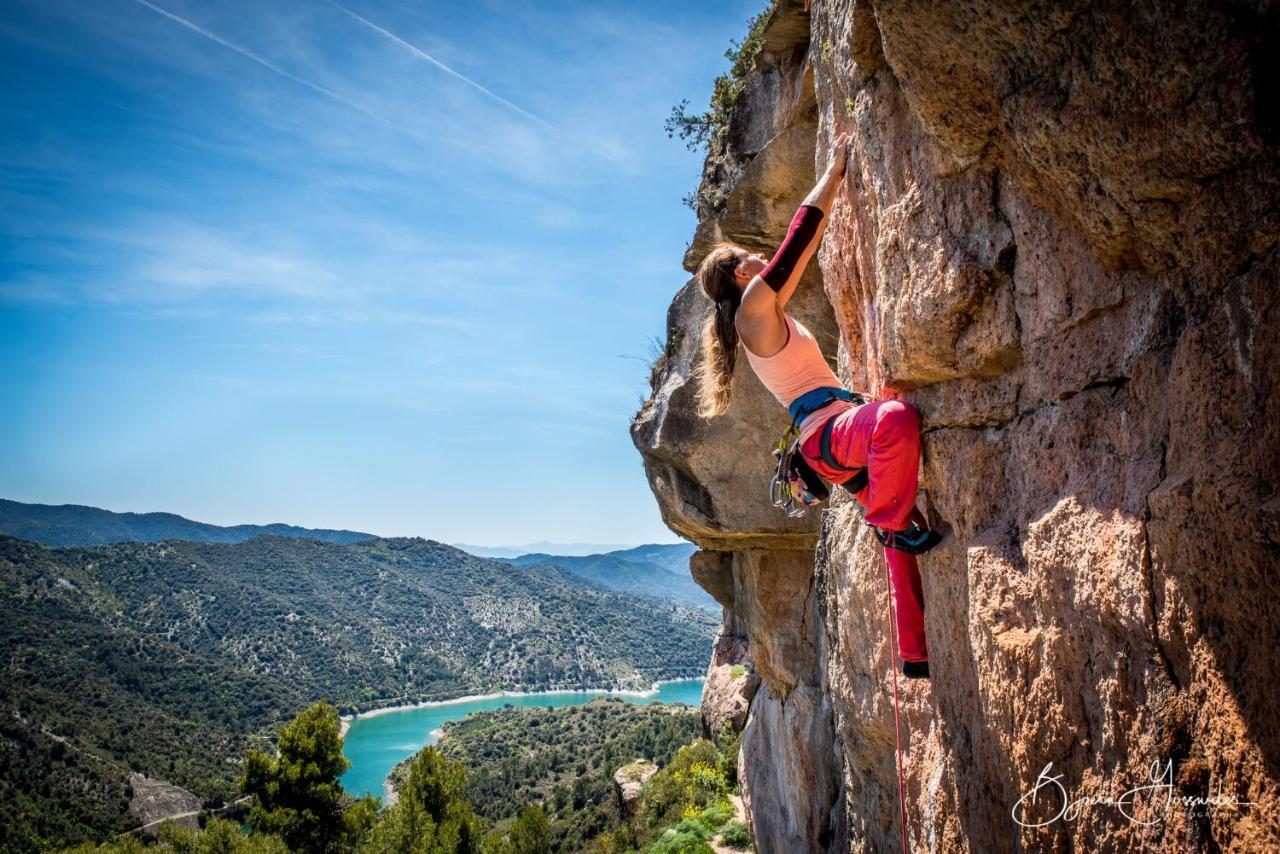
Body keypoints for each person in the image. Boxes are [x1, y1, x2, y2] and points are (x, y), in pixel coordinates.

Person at [693, 132, 940, 680]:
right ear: (739, 272)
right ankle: (889, 521)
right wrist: (833, 171)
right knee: (896, 424)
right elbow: (799, 241)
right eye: (749, 256)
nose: (760, 256)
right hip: (828, 435)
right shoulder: (753, 308)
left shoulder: (759, 314)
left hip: (830, 435)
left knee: (900, 533)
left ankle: (915, 654)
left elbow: (795, 252)